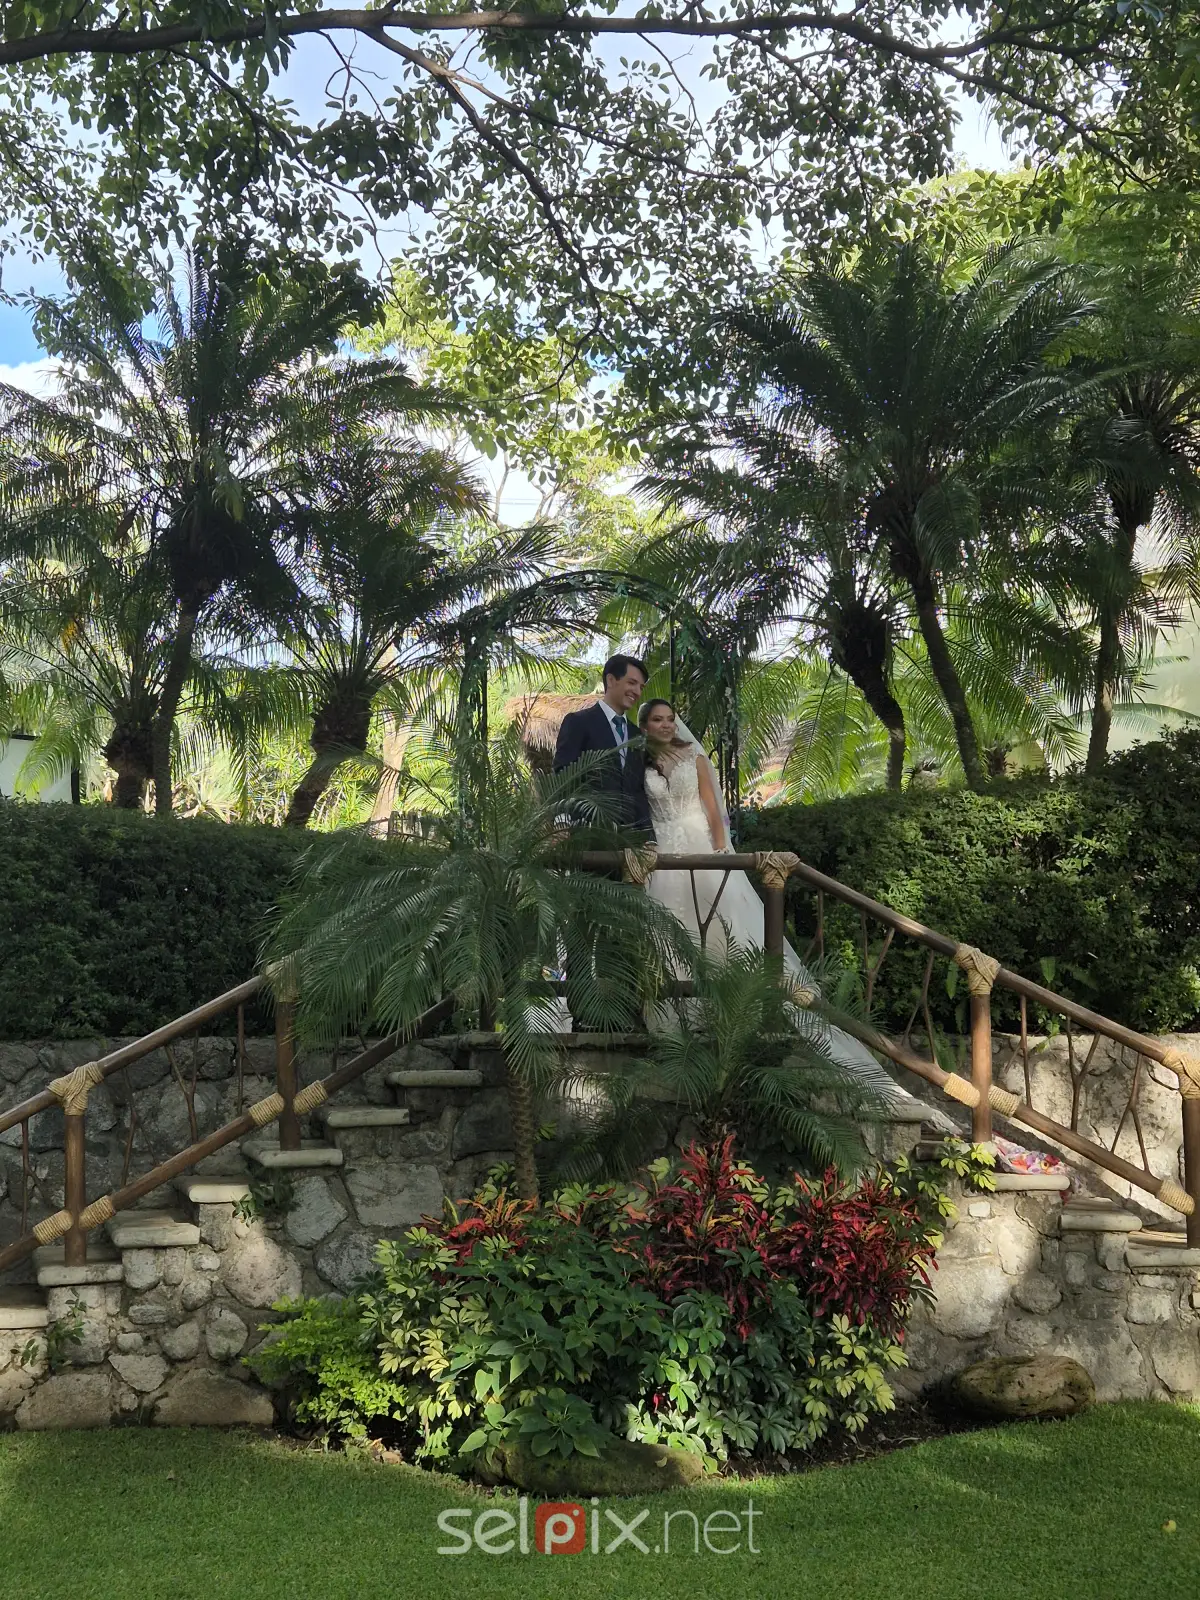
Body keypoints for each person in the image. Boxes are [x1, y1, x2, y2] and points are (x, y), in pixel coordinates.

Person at [638, 697, 952, 1127]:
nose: (666, 725)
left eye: (671, 719)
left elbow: (714, 814)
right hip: (662, 859)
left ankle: (739, 1013)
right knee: (676, 932)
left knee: (728, 931)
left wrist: (721, 856)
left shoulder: (694, 757)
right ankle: (685, 1018)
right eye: (658, 719)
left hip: (702, 853)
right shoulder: (640, 763)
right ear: (645, 725)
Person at [552, 654, 654, 837]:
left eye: (641, 687)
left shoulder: (637, 735)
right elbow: (564, 777)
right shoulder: (578, 722)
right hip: (586, 832)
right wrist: (562, 822)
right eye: (632, 683)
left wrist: (648, 838)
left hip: (629, 840)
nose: (637, 692)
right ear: (611, 680)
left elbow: (638, 790)